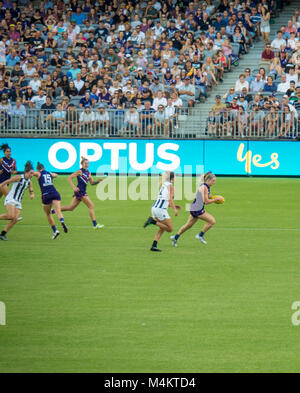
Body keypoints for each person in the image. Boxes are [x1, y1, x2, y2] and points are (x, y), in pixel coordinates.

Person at [170, 172, 223, 247]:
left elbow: (207, 196)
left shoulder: (206, 186)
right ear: (208, 180)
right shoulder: (204, 187)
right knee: (212, 221)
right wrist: (216, 199)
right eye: (213, 181)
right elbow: (206, 201)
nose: (214, 182)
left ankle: (175, 237)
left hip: (195, 207)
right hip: (197, 208)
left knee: (188, 225)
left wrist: (214, 197)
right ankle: (200, 235)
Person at [60, 157, 104, 230]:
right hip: (81, 192)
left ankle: (54, 210)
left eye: (88, 163)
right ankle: (95, 224)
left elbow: (92, 183)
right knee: (91, 206)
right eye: (85, 163)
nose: (87, 165)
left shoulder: (88, 172)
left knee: (71, 208)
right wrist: (73, 187)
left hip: (81, 192)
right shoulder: (80, 171)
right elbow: (69, 178)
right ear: (82, 164)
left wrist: (98, 181)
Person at [143, 171, 180, 252]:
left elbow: (164, 200)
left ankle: (154, 245)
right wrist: (174, 209)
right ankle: (152, 221)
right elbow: (170, 199)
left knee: (162, 227)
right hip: (160, 210)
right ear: (172, 179)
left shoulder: (164, 185)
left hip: (154, 208)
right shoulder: (170, 186)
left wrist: (174, 206)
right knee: (170, 229)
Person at [0, 161, 35, 241]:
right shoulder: (19, 177)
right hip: (11, 199)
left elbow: (31, 188)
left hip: (18, 202)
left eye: (33, 174)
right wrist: (1, 185)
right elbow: (7, 181)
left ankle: (3, 234)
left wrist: (31, 194)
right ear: (26, 172)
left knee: (15, 219)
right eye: (31, 173)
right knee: (10, 216)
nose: (32, 175)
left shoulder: (29, 181)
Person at [35, 162, 68, 240]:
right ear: (44, 168)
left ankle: (55, 230)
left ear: (38, 169)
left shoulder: (39, 174)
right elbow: (56, 175)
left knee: (48, 213)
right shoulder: (49, 173)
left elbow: (33, 173)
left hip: (46, 195)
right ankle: (62, 221)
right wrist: (52, 174)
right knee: (58, 211)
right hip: (55, 193)